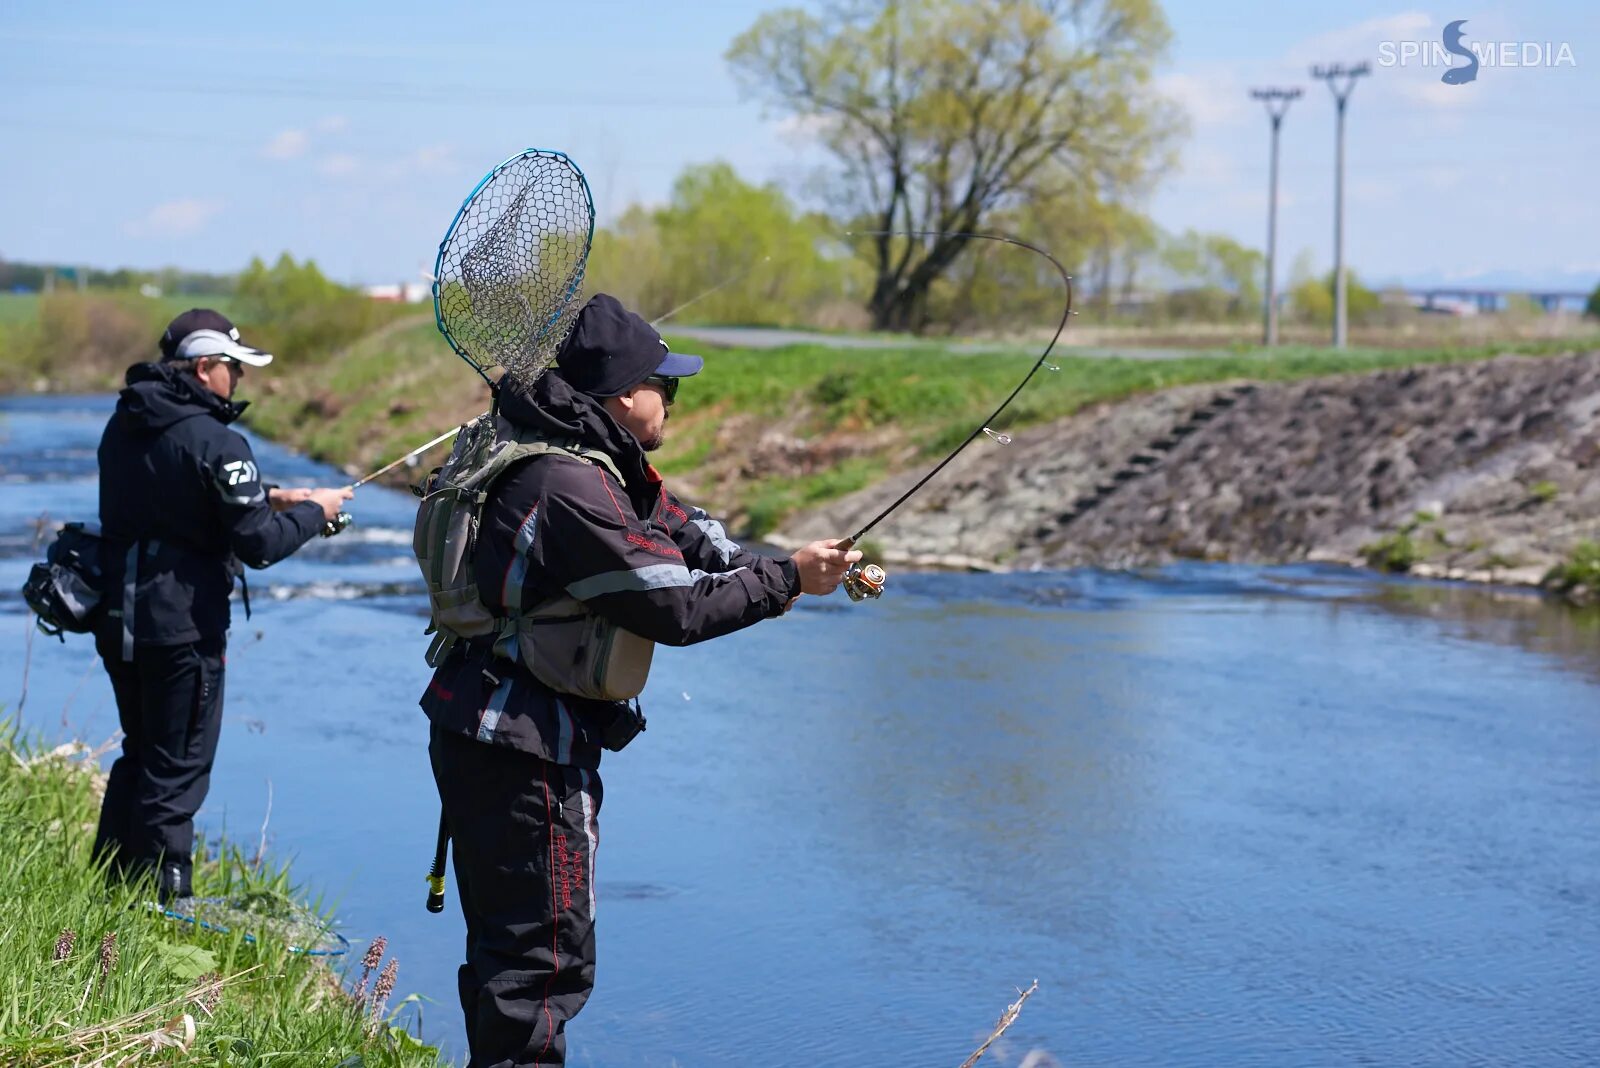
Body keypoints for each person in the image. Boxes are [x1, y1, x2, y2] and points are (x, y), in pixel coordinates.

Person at [422, 293, 860, 1066]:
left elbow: (675, 531)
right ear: (626, 394)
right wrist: (787, 581)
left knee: (510, 957)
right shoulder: (567, 486)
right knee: (541, 967)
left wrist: (770, 569)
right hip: (525, 753)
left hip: (485, 728)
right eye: (670, 386)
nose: (675, 400)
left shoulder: (584, 456)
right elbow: (676, 609)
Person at [93, 308, 353, 901]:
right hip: (181, 630)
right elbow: (258, 544)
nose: (240, 380)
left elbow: (169, 490)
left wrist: (271, 494)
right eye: (234, 368)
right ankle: (166, 910)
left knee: (140, 755)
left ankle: (110, 895)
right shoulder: (219, 439)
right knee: (178, 771)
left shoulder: (125, 421)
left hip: (119, 620)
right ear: (205, 366)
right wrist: (318, 512)